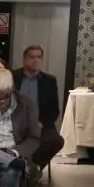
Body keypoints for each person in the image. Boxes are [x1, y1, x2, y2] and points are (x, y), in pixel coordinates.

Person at [13, 44, 66, 173]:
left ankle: (32, 167)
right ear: (25, 59)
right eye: (32, 57)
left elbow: (54, 110)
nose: (36, 60)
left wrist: (41, 123)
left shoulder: (49, 81)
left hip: (40, 123)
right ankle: (23, 166)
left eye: (39, 57)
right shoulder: (13, 77)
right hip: (14, 121)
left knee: (56, 141)